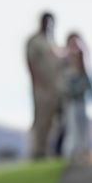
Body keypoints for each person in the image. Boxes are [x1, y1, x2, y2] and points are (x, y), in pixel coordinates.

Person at [25, 12, 63, 159]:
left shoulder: (51, 41)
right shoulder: (34, 41)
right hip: (41, 87)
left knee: (50, 120)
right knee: (40, 119)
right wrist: (38, 82)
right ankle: (37, 150)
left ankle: (46, 150)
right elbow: (30, 62)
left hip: (54, 87)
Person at [59, 32, 92, 161]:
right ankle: (73, 152)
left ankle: (83, 150)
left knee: (82, 125)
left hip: (81, 98)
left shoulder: (81, 60)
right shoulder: (64, 59)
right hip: (70, 100)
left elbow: (87, 79)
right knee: (72, 126)